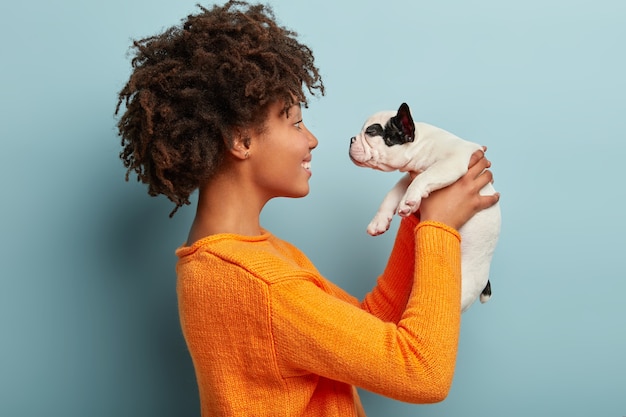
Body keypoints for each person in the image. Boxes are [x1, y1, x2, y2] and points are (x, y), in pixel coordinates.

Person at [115, 1, 500, 416]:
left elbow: (372, 326)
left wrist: (421, 209)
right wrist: (439, 229)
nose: (312, 139)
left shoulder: (245, 258)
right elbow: (423, 373)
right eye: (295, 122)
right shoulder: (263, 285)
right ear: (241, 141)